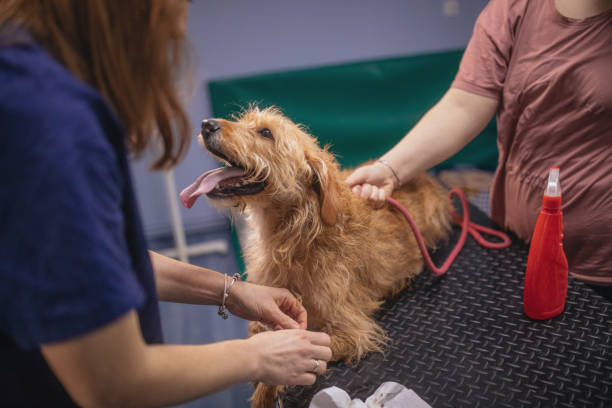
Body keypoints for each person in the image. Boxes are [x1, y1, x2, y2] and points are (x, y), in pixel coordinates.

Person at [0, 1, 331, 407]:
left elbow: (91, 263)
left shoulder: (22, 79)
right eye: (169, 40)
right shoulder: (51, 122)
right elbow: (111, 383)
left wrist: (231, 290)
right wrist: (257, 356)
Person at [346, 0, 612, 285]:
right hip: (518, 243)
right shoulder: (514, 8)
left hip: (600, 264)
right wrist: (390, 169)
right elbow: (465, 106)